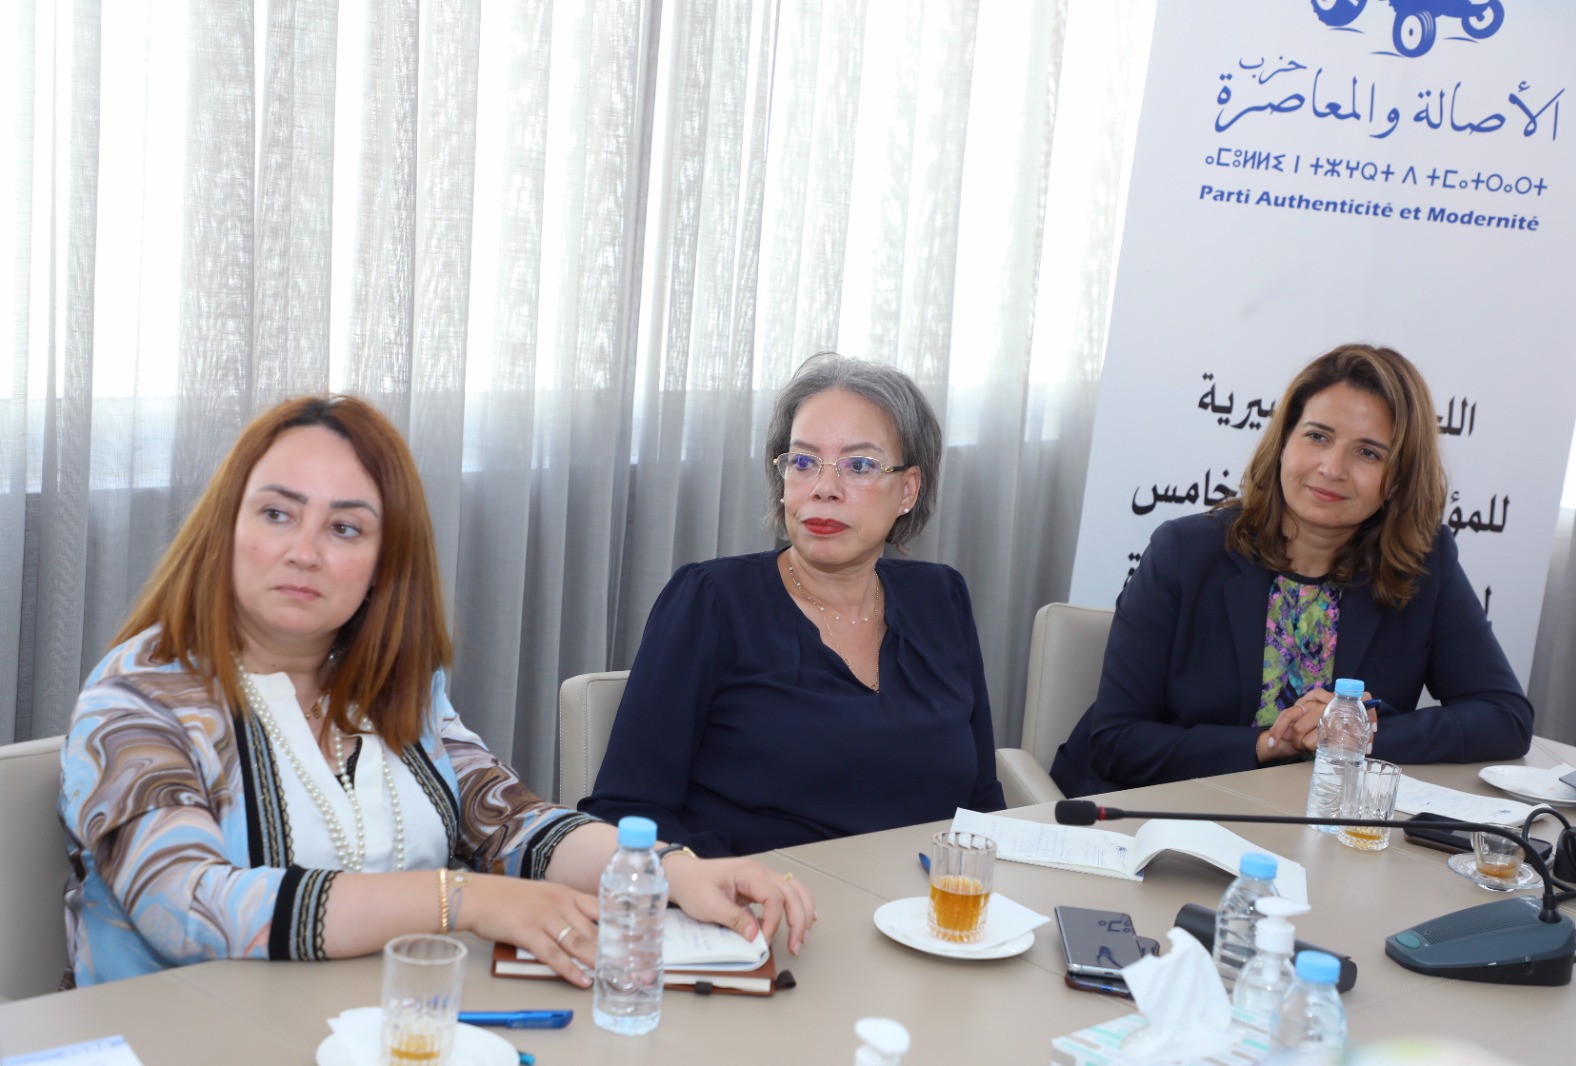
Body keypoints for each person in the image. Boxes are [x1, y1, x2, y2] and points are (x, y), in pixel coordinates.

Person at [59, 395, 814, 989]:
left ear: (385, 563)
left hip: (394, 1023)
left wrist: (671, 871)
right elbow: (186, 906)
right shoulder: (137, 696)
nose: (304, 552)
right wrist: (465, 900)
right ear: (225, 527)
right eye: (277, 513)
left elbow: (507, 822)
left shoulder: (398, 683)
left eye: (345, 529)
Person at [1049, 343, 1533, 797]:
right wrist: (1267, 745)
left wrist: (1355, 731)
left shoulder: (1424, 563)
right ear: (1283, 442)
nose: (1332, 468)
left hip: (1314, 826)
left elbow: (1505, 717)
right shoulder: (1184, 551)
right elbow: (1116, 741)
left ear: (1399, 478)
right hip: (1154, 816)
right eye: (1317, 436)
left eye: (1368, 452)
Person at [580, 354, 1004, 856]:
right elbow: (626, 808)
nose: (824, 489)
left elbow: (982, 804)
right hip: (756, 895)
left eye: (859, 466)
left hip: (926, 899)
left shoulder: (941, 598)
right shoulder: (710, 602)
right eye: (803, 462)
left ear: (908, 490)